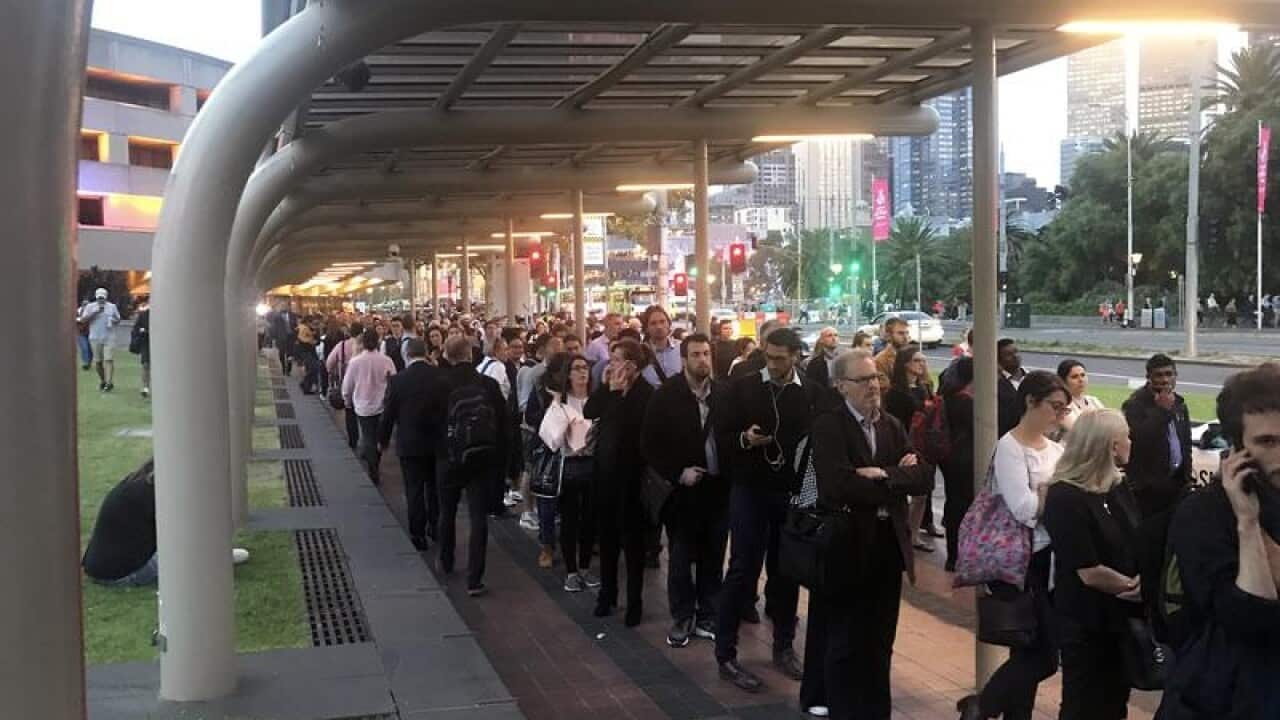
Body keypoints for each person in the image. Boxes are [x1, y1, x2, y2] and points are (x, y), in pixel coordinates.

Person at [803, 349, 934, 719]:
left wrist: (883, 475)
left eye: (875, 378)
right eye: (862, 380)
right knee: (846, 640)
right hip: (847, 545)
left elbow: (924, 475)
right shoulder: (829, 425)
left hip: (887, 544)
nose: (873, 386)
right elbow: (838, 486)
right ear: (841, 386)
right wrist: (895, 477)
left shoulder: (890, 424)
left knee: (880, 640)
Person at [1157, 362, 1280, 718]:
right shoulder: (1204, 514)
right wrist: (1247, 522)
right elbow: (1250, 617)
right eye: (1267, 442)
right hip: (1228, 698)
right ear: (1238, 447)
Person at [715, 327, 824, 693]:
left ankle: (783, 645)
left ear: (795, 356)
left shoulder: (809, 392)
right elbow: (722, 439)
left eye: (780, 358)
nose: (773, 364)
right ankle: (725, 652)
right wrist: (745, 439)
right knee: (743, 567)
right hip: (749, 489)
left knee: (786, 570)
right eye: (768, 356)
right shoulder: (743, 387)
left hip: (789, 493)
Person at [957, 370, 1069, 720]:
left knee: (1027, 651)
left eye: (1064, 408)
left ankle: (1000, 712)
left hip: (1049, 561)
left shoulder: (1056, 449)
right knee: (1042, 656)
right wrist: (1053, 494)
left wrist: (1049, 494)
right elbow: (1023, 509)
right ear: (1030, 402)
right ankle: (983, 705)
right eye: (1054, 406)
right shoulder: (1009, 447)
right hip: (1019, 562)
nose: (1059, 415)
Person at [1041, 409, 1143, 720]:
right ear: (1111, 446)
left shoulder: (1117, 486)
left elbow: (1136, 538)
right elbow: (1087, 570)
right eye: (1126, 436)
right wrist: (1134, 587)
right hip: (1085, 619)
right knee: (1083, 702)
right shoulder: (1064, 497)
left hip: (1121, 616)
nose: (1131, 441)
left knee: (1115, 702)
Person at [642, 333, 729, 648]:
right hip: (683, 493)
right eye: (695, 354)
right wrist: (678, 472)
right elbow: (649, 444)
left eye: (706, 353)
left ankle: (708, 614)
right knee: (681, 557)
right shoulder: (666, 395)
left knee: (714, 555)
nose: (702, 360)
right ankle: (682, 616)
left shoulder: (723, 393)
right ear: (684, 359)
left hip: (718, 490)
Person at [431, 335, 509, 596]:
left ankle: (447, 559)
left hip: (448, 457)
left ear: (446, 355)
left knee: (447, 510)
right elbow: (503, 422)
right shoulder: (487, 384)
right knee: (478, 517)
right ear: (470, 354)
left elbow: (429, 422)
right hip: (482, 457)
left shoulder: (439, 385)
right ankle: (475, 578)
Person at [586, 338, 654, 625]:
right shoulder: (610, 389)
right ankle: (607, 593)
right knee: (608, 538)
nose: (610, 365)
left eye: (616, 360)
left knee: (633, 543)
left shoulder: (646, 394)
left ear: (632, 366)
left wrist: (617, 394)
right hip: (605, 476)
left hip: (633, 480)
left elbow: (632, 430)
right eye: (611, 359)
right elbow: (590, 411)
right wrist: (607, 389)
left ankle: (634, 601)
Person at [537, 352, 599, 589]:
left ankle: (585, 567)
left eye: (585, 367)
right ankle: (571, 571)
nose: (583, 372)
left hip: (593, 465)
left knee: (590, 520)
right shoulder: (559, 402)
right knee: (570, 519)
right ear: (568, 374)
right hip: (569, 466)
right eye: (577, 368)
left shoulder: (596, 399)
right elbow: (550, 439)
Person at [378, 338, 440, 551]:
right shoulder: (439, 376)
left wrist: (383, 440)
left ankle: (417, 534)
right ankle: (435, 526)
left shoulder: (398, 381)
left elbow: (389, 413)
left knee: (413, 489)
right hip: (435, 442)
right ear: (426, 353)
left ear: (406, 355)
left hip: (409, 443)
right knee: (434, 488)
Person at [1122, 354, 1193, 520]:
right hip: (1149, 490)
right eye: (1159, 375)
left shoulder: (1180, 403)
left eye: (1169, 374)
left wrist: (1187, 476)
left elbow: (1186, 443)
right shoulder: (1134, 405)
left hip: (1177, 485)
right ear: (1148, 377)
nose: (1165, 379)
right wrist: (1162, 411)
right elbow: (1138, 440)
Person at [884, 344, 941, 551]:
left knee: (922, 493)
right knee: (903, 492)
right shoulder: (897, 392)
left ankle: (914, 533)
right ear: (905, 364)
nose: (922, 364)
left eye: (923, 360)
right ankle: (902, 533)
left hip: (925, 444)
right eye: (917, 360)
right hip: (905, 444)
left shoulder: (924, 386)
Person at [341, 329, 396, 485]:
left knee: (368, 436)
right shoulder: (386, 361)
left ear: (363, 343)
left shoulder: (355, 362)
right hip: (382, 405)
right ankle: (375, 460)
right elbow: (394, 381)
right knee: (379, 437)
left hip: (363, 405)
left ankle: (373, 467)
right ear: (378, 341)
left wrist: (347, 400)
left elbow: (347, 385)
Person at [940, 356, 975, 571]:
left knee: (953, 504)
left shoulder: (948, 395)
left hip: (950, 458)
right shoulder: (966, 401)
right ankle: (961, 554)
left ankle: (953, 555)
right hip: (965, 459)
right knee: (964, 506)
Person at [327, 321, 365, 450]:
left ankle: (353, 441)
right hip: (364, 385)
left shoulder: (342, 345)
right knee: (365, 415)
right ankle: (366, 442)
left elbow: (329, 364)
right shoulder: (367, 346)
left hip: (347, 383)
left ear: (350, 331)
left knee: (350, 412)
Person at [78, 287, 121, 392]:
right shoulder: (90, 306)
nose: (101, 300)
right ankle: (103, 380)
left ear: (106, 297)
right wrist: (95, 312)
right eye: (99, 298)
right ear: (96, 297)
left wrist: (114, 320)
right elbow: (83, 320)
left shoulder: (112, 307)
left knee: (109, 359)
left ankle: (109, 383)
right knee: (98, 362)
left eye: (103, 298)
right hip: (95, 337)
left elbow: (118, 319)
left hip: (109, 337)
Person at [1056, 359, 1104, 437]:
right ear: (1063, 381)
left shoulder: (1094, 400)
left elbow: (1109, 425)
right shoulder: (1062, 406)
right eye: (1074, 377)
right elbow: (1078, 432)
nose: (1081, 380)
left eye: (1083, 375)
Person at [640, 305, 681, 387]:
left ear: (669, 324)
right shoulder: (640, 352)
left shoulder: (681, 347)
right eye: (653, 323)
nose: (659, 327)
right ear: (646, 328)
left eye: (662, 321)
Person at [997, 338, 1027, 437]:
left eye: (1016, 352)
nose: (1015, 356)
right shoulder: (997, 384)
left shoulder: (1033, 378)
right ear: (999, 360)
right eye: (1009, 354)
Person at [873, 317, 911, 393]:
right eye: (900, 333)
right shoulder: (880, 361)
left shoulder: (914, 356)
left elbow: (926, 381)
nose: (905, 337)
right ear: (888, 335)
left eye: (907, 333)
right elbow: (886, 390)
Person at [131, 299, 151, 398]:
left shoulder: (166, 315)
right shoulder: (143, 315)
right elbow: (135, 329)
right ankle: (145, 387)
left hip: (162, 343)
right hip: (146, 342)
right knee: (146, 364)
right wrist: (141, 331)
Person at [269, 303, 297, 375]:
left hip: (291, 338)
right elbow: (274, 327)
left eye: (285, 306)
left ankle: (288, 369)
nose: (284, 307)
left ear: (288, 307)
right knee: (281, 354)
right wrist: (274, 338)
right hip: (281, 338)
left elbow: (296, 326)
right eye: (282, 306)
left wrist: (296, 336)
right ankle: (283, 367)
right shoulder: (277, 316)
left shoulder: (293, 315)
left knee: (290, 354)